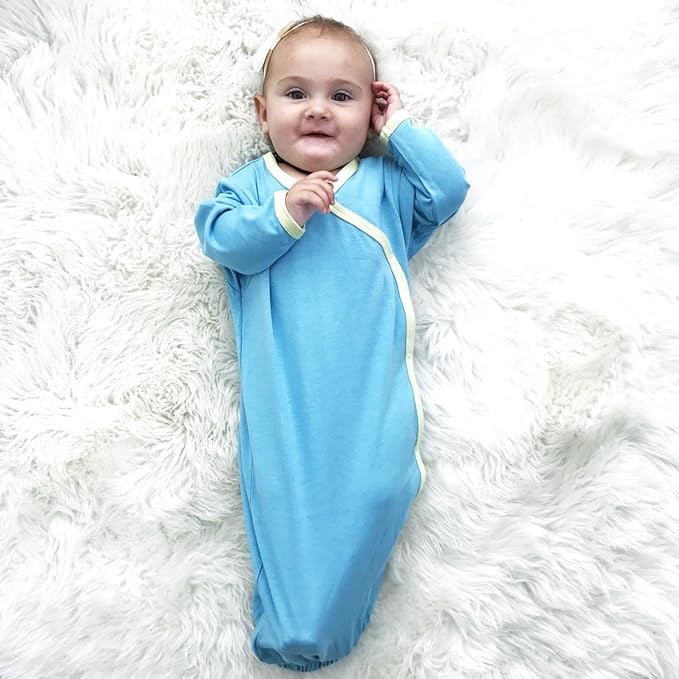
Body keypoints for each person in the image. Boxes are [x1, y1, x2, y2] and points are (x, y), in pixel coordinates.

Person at [194, 15, 470, 673]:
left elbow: (448, 190)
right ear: (262, 112)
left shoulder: (382, 186)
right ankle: (297, 624)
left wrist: (398, 130)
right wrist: (286, 210)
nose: (318, 109)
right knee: (285, 504)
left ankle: (333, 614)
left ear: (369, 112)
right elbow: (222, 239)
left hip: (371, 395)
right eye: (296, 94)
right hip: (286, 398)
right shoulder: (253, 186)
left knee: (381, 487)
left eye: (342, 96)